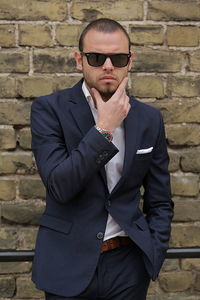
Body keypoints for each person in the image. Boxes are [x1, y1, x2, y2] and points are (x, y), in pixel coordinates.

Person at [31, 18, 174, 300]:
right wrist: (104, 129)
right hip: (66, 263)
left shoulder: (149, 119)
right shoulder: (49, 110)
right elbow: (60, 185)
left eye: (118, 58)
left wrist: (152, 255)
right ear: (78, 60)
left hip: (128, 266)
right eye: (96, 57)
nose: (108, 66)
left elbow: (160, 200)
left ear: (130, 61)